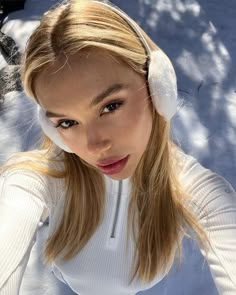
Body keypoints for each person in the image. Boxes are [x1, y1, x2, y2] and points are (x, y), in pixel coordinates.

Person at [0, 0, 236, 294]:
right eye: (67, 122)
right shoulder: (37, 180)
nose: (95, 145)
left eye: (110, 106)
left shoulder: (199, 191)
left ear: (157, 87)